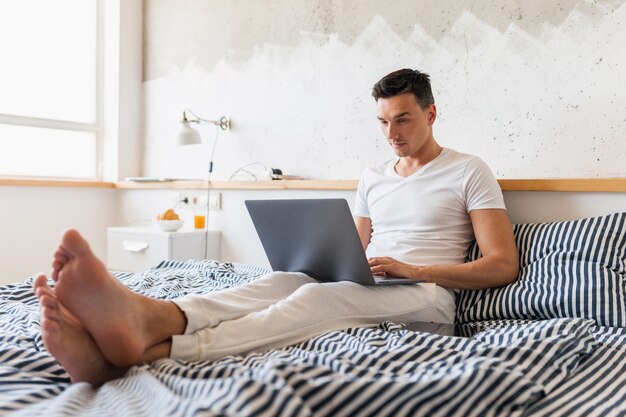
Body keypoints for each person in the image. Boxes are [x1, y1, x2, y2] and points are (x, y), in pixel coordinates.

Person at [33, 68, 519, 387]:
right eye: (382, 122)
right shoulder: (372, 176)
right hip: (374, 278)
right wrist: (318, 259)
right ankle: (145, 323)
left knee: (313, 299)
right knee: (279, 283)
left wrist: (409, 266)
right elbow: (353, 249)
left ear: (431, 114)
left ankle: (151, 345)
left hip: (428, 294)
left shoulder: (468, 170)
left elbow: (502, 265)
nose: (391, 133)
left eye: (404, 120)